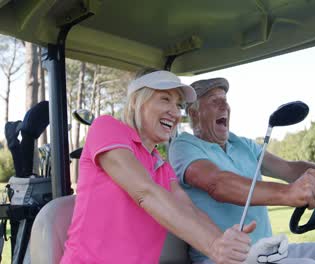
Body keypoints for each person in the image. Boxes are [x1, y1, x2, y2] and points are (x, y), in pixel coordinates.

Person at [169, 77, 315, 264]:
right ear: (194, 113)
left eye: (226, 100)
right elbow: (218, 184)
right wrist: (288, 193)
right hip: (224, 258)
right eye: (215, 101)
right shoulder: (184, 146)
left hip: (269, 251)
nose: (225, 106)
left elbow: (290, 168)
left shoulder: (242, 144)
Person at [60, 71, 256, 264]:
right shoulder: (107, 127)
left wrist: (226, 244)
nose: (175, 112)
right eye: (164, 99)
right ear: (138, 101)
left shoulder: (161, 166)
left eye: (178, 104)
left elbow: (189, 211)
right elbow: (145, 192)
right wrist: (214, 247)